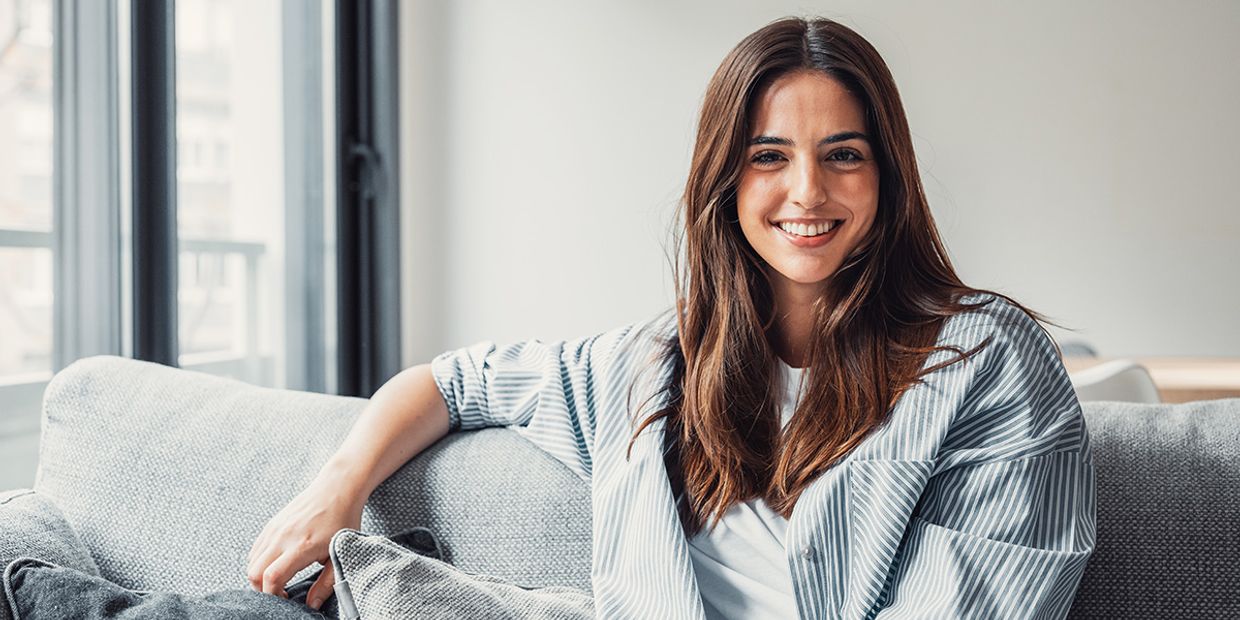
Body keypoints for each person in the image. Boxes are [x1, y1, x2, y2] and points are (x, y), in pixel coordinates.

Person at [246, 15, 1096, 619]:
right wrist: (337, 488)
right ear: (725, 180)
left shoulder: (987, 361)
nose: (807, 191)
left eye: (844, 154)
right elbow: (452, 382)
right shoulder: (648, 367)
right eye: (769, 156)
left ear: (888, 176)